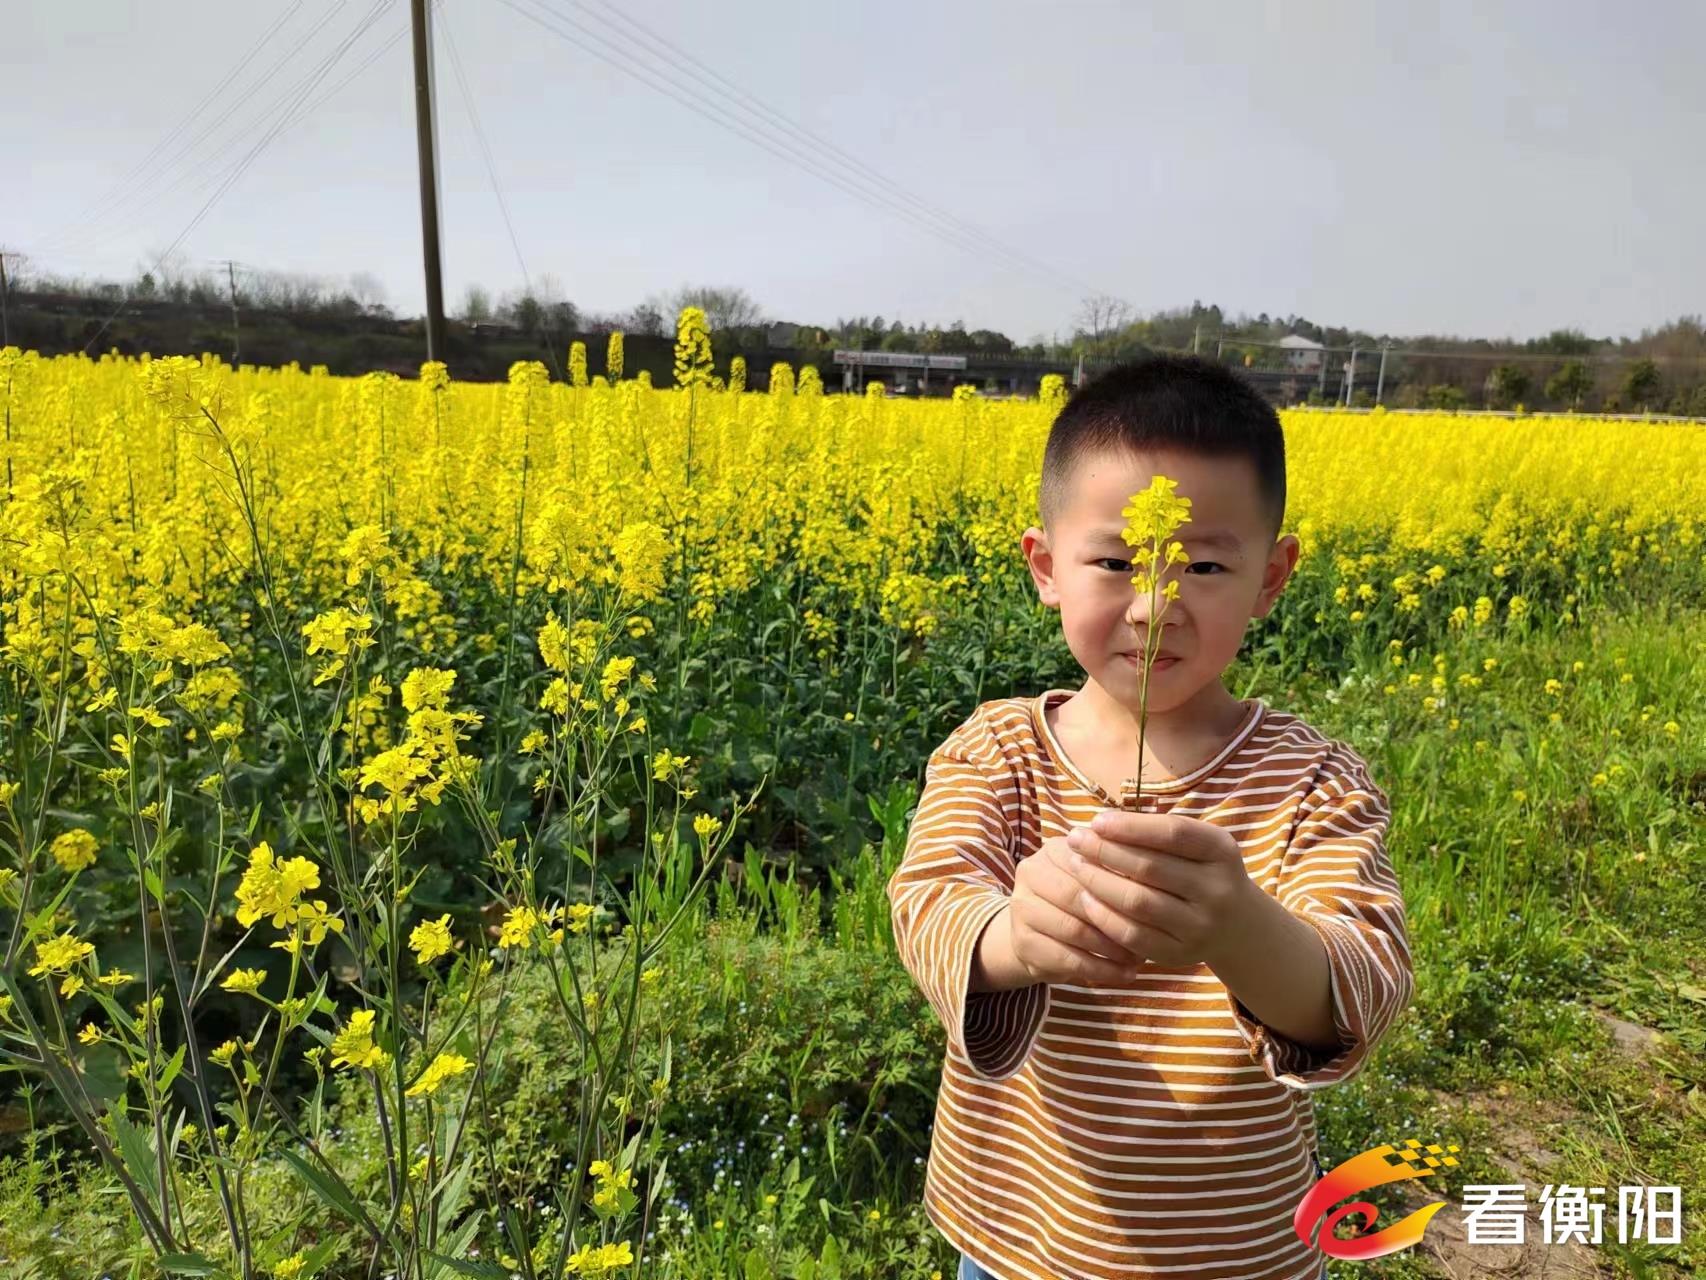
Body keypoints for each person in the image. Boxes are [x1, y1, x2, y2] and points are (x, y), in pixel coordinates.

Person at [886, 355, 1414, 1280]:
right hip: (1018, 1240)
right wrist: (1013, 937)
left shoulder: (1313, 782)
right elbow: (928, 903)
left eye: (1203, 566)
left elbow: (1364, 987)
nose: (1155, 605)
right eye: (1116, 562)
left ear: (1272, 578)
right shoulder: (996, 750)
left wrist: (1238, 928)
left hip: (1238, 1250)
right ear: (1045, 568)